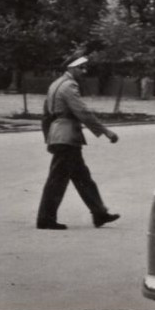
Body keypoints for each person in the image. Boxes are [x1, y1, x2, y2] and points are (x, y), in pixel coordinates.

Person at [36, 55, 120, 230]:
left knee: (83, 178)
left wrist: (49, 138)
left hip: (60, 136)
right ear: (71, 69)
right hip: (67, 138)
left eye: (84, 68)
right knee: (57, 180)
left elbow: (46, 115)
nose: (84, 71)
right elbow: (83, 112)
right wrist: (105, 131)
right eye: (81, 68)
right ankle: (45, 218)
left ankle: (99, 213)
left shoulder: (55, 84)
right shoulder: (69, 86)